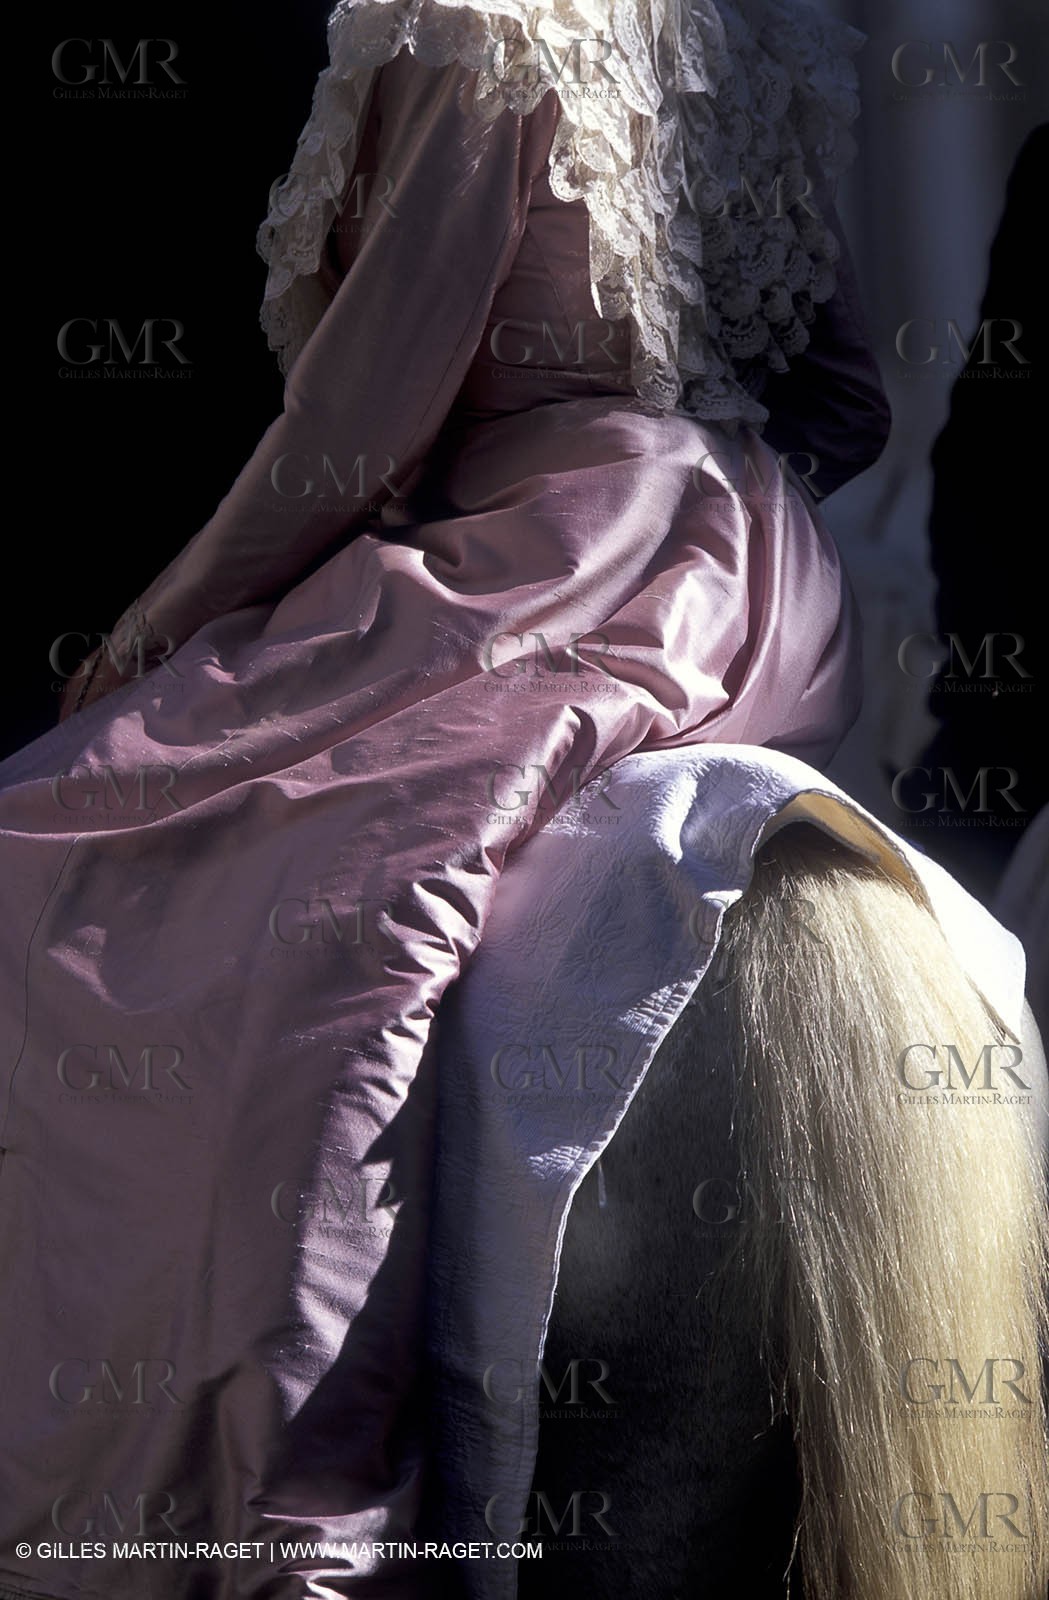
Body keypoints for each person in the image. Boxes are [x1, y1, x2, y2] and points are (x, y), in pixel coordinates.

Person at [0, 2, 892, 1596]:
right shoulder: (763, 44)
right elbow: (846, 404)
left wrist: (157, 626)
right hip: (762, 579)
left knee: (64, 838)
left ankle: (264, 1499)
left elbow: (358, 418)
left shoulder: (474, 33)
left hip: (552, 556)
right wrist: (706, 475)